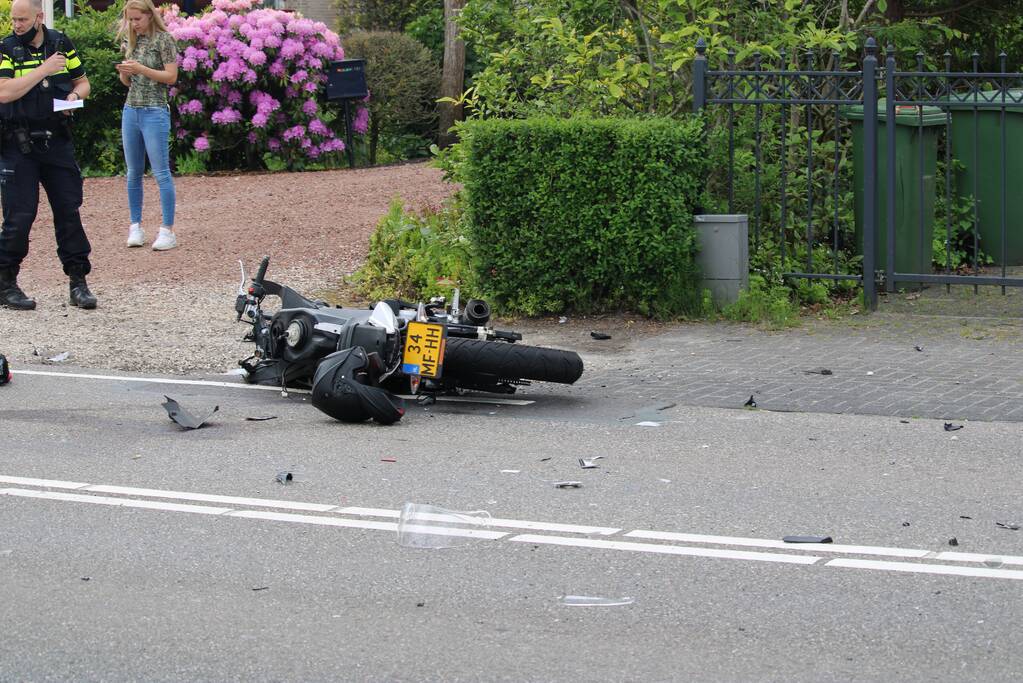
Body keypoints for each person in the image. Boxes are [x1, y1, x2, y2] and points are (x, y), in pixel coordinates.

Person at [0, 0, 96, 310]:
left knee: (69, 211)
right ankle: (6, 284)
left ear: (39, 17)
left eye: (23, 19)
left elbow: (83, 83)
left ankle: (78, 282)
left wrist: (74, 95)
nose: (17, 25)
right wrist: (43, 69)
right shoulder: (6, 48)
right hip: (18, 145)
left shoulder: (60, 43)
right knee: (19, 217)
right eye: (14, 19)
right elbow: (4, 92)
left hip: (56, 142)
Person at [115, 0, 178, 251]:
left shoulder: (164, 40)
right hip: (132, 110)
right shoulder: (133, 41)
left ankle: (167, 230)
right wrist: (125, 71)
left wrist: (141, 68)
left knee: (161, 172)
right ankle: (135, 226)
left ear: (149, 16)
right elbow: (129, 83)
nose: (133, 24)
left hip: (155, 111)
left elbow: (171, 77)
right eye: (130, 19)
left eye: (137, 19)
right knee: (133, 173)